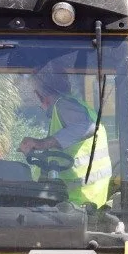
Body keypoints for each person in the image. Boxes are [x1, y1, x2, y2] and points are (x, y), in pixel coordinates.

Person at [18, 69, 112, 208]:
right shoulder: (80, 107)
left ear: (42, 96)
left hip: (75, 203)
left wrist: (41, 143)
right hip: (88, 201)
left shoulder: (63, 105)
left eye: (35, 93)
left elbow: (88, 127)